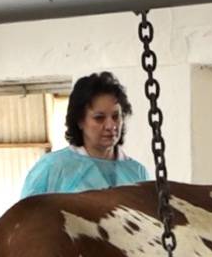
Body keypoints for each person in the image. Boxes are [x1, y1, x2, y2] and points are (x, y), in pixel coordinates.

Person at [20, 72, 149, 196]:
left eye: (116, 116)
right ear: (80, 121)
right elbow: (28, 210)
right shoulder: (52, 168)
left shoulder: (137, 173)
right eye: (99, 118)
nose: (111, 126)